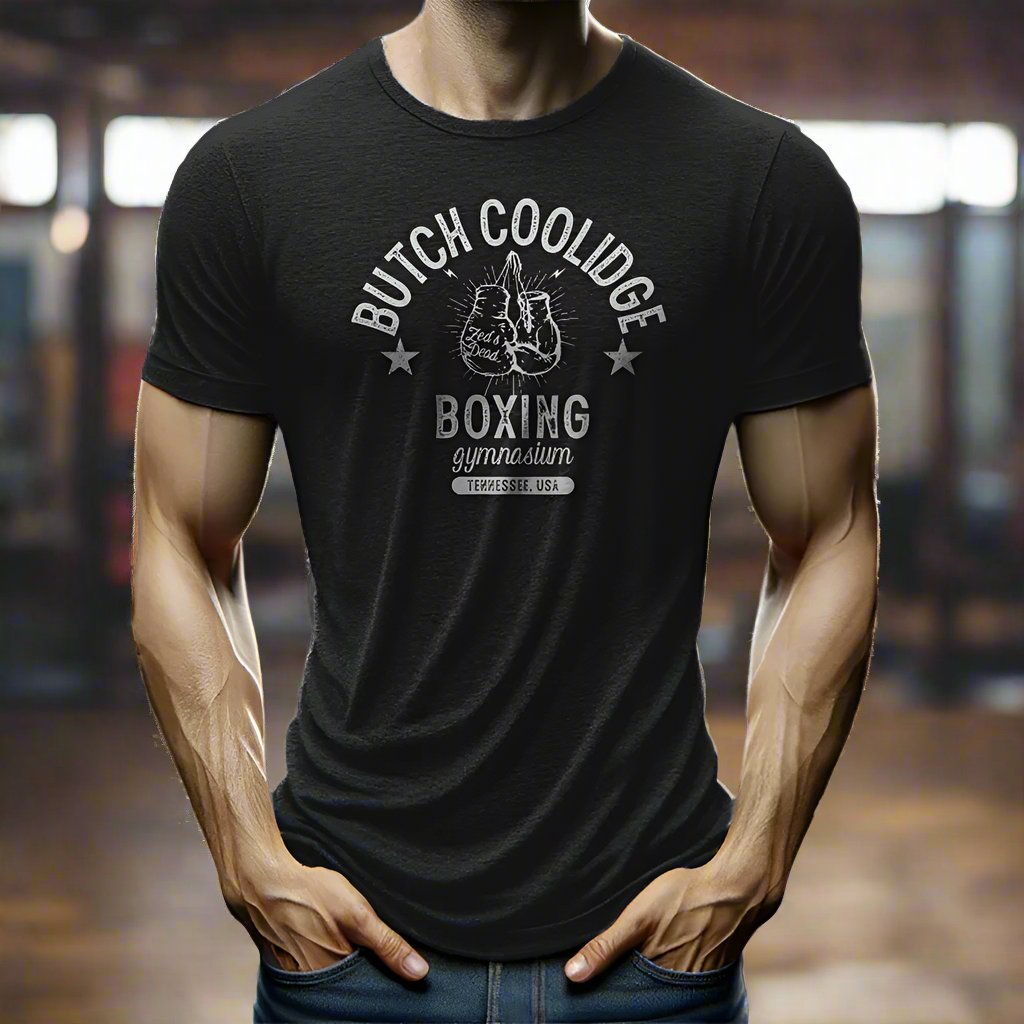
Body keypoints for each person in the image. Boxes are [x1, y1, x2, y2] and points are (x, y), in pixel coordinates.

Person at [131, 1, 879, 1021]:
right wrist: (249, 859)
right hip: (348, 955)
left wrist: (753, 860)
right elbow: (176, 535)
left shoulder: (758, 181)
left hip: (651, 960)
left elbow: (830, 532)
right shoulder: (252, 179)